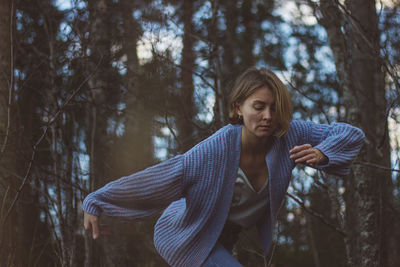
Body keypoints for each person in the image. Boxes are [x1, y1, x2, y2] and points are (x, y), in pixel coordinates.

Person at [83, 67, 365, 267]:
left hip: (220, 238)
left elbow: (351, 134)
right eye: (258, 106)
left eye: (274, 107)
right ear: (238, 108)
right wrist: (98, 199)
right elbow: (161, 177)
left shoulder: (288, 134)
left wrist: (322, 152)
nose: (268, 116)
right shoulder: (215, 151)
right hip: (183, 235)